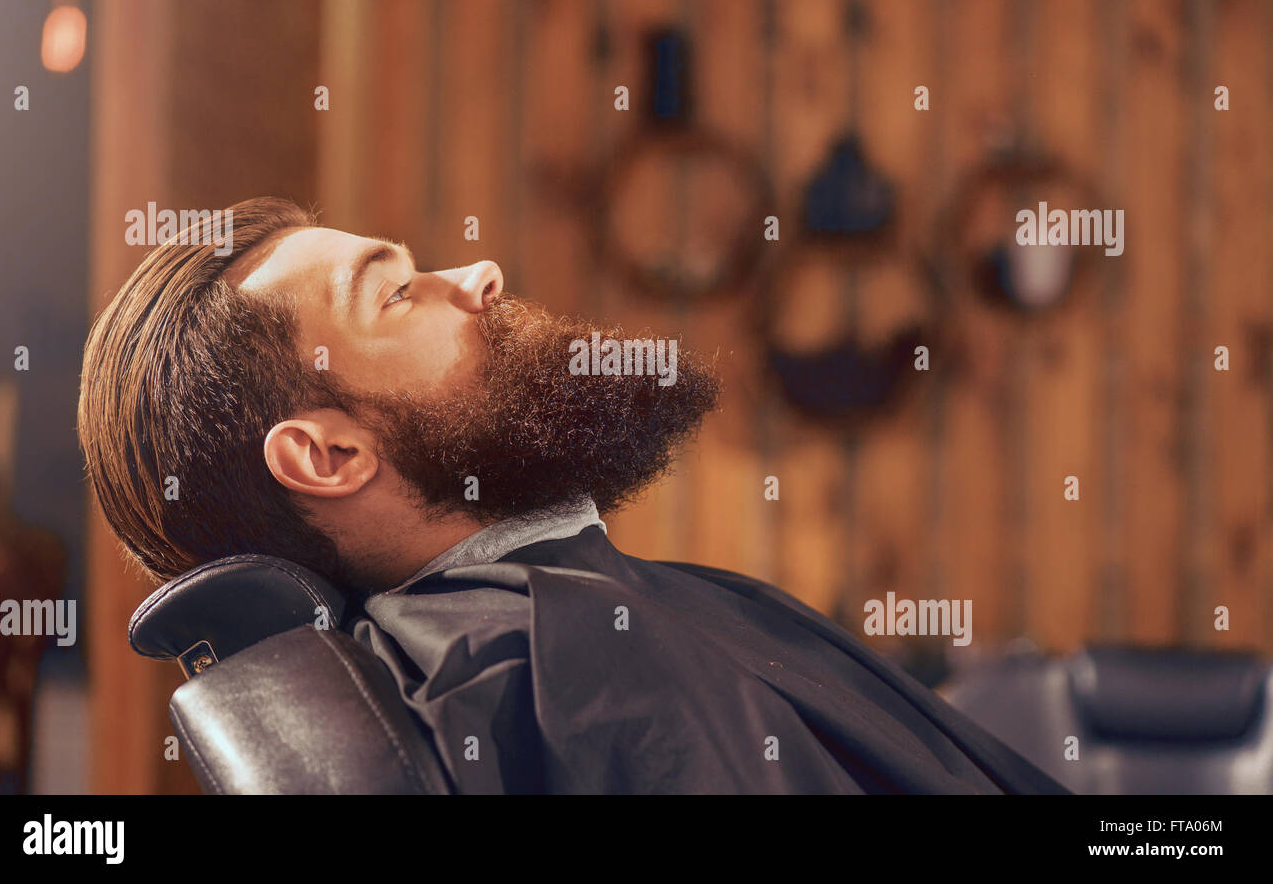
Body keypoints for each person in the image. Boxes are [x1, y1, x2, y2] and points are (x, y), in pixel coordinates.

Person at [78, 196, 1067, 794]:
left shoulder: (578, 621)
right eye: (395, 292)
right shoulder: (544, 665)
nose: (476, 273)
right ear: (330, 456)